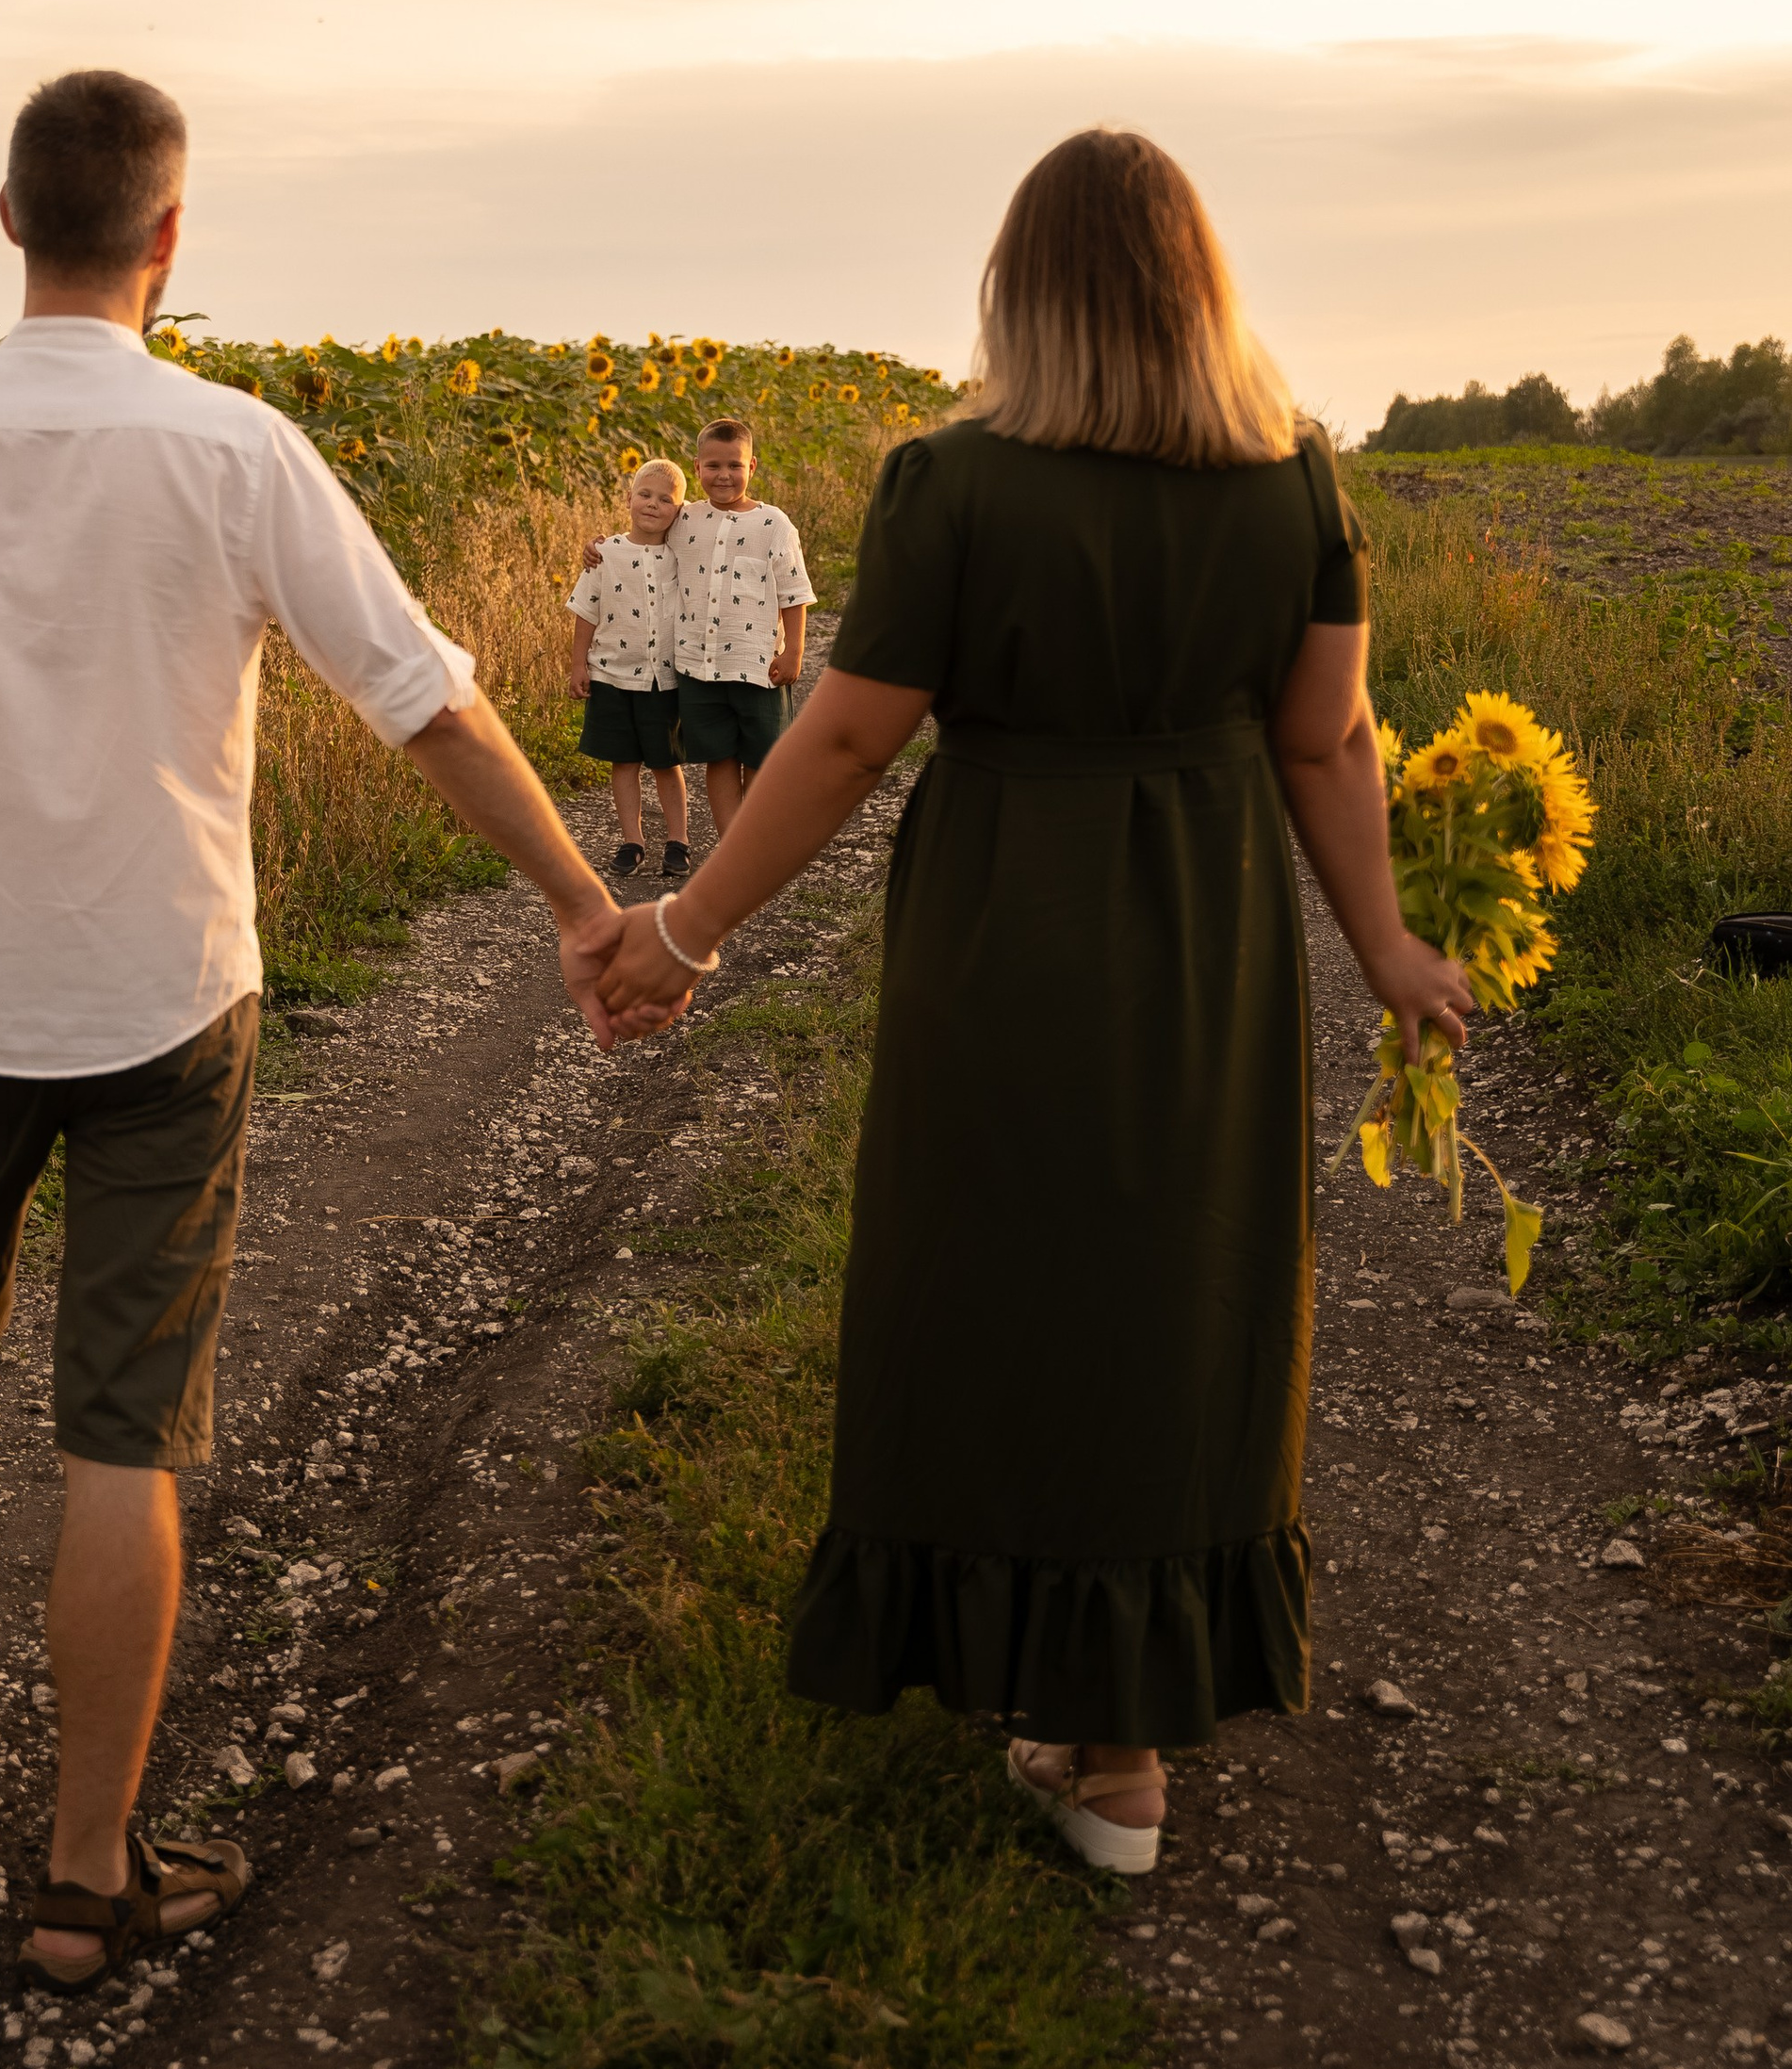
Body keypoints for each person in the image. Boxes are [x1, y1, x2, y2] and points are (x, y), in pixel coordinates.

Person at [0, 69, 624, 1991]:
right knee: (118, 1437)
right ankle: (86, 1877)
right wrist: (589, 911)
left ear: (6, 221)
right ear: (170, 236)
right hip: (160, 994)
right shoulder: (235, 449)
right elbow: (419, 700)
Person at [591, 130, 1473, 1874]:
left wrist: (683, 928)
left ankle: (1031, 1684)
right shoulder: (1291, 478)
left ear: (1024, 290)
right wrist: (1382, 947)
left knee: (993, 1273)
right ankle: (1123, 1742)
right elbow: (1330, 736)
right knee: (1177, 1277)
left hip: (1006, 919)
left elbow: (846, 734)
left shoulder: (960, 480)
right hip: (1205, 924)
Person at [592, 418, 812, 838]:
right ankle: (731, 845)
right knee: (719, 757)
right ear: (696, 468)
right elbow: (643, 534)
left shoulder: (774, 525)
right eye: (713, 466)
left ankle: (757, 840)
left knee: (763, 758)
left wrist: (795, 650)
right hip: (698, 666)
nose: (724, 475)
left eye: (734, 465)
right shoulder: (684, 519)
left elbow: (794, 592)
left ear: (753, 467)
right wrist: (599, 547)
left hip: (758, 665)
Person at [566, 453, 691, 880]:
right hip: (612, 674)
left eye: (665, 499)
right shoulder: (605, 554)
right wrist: (577, 664)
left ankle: (678, 841)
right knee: (624, 762)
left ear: (680, 512)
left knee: (665, 762)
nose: (653, 504)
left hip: (663, 677)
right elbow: (587, 610)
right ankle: (632, 841)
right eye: (645, 495)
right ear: (628, 498)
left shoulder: (682, 555)